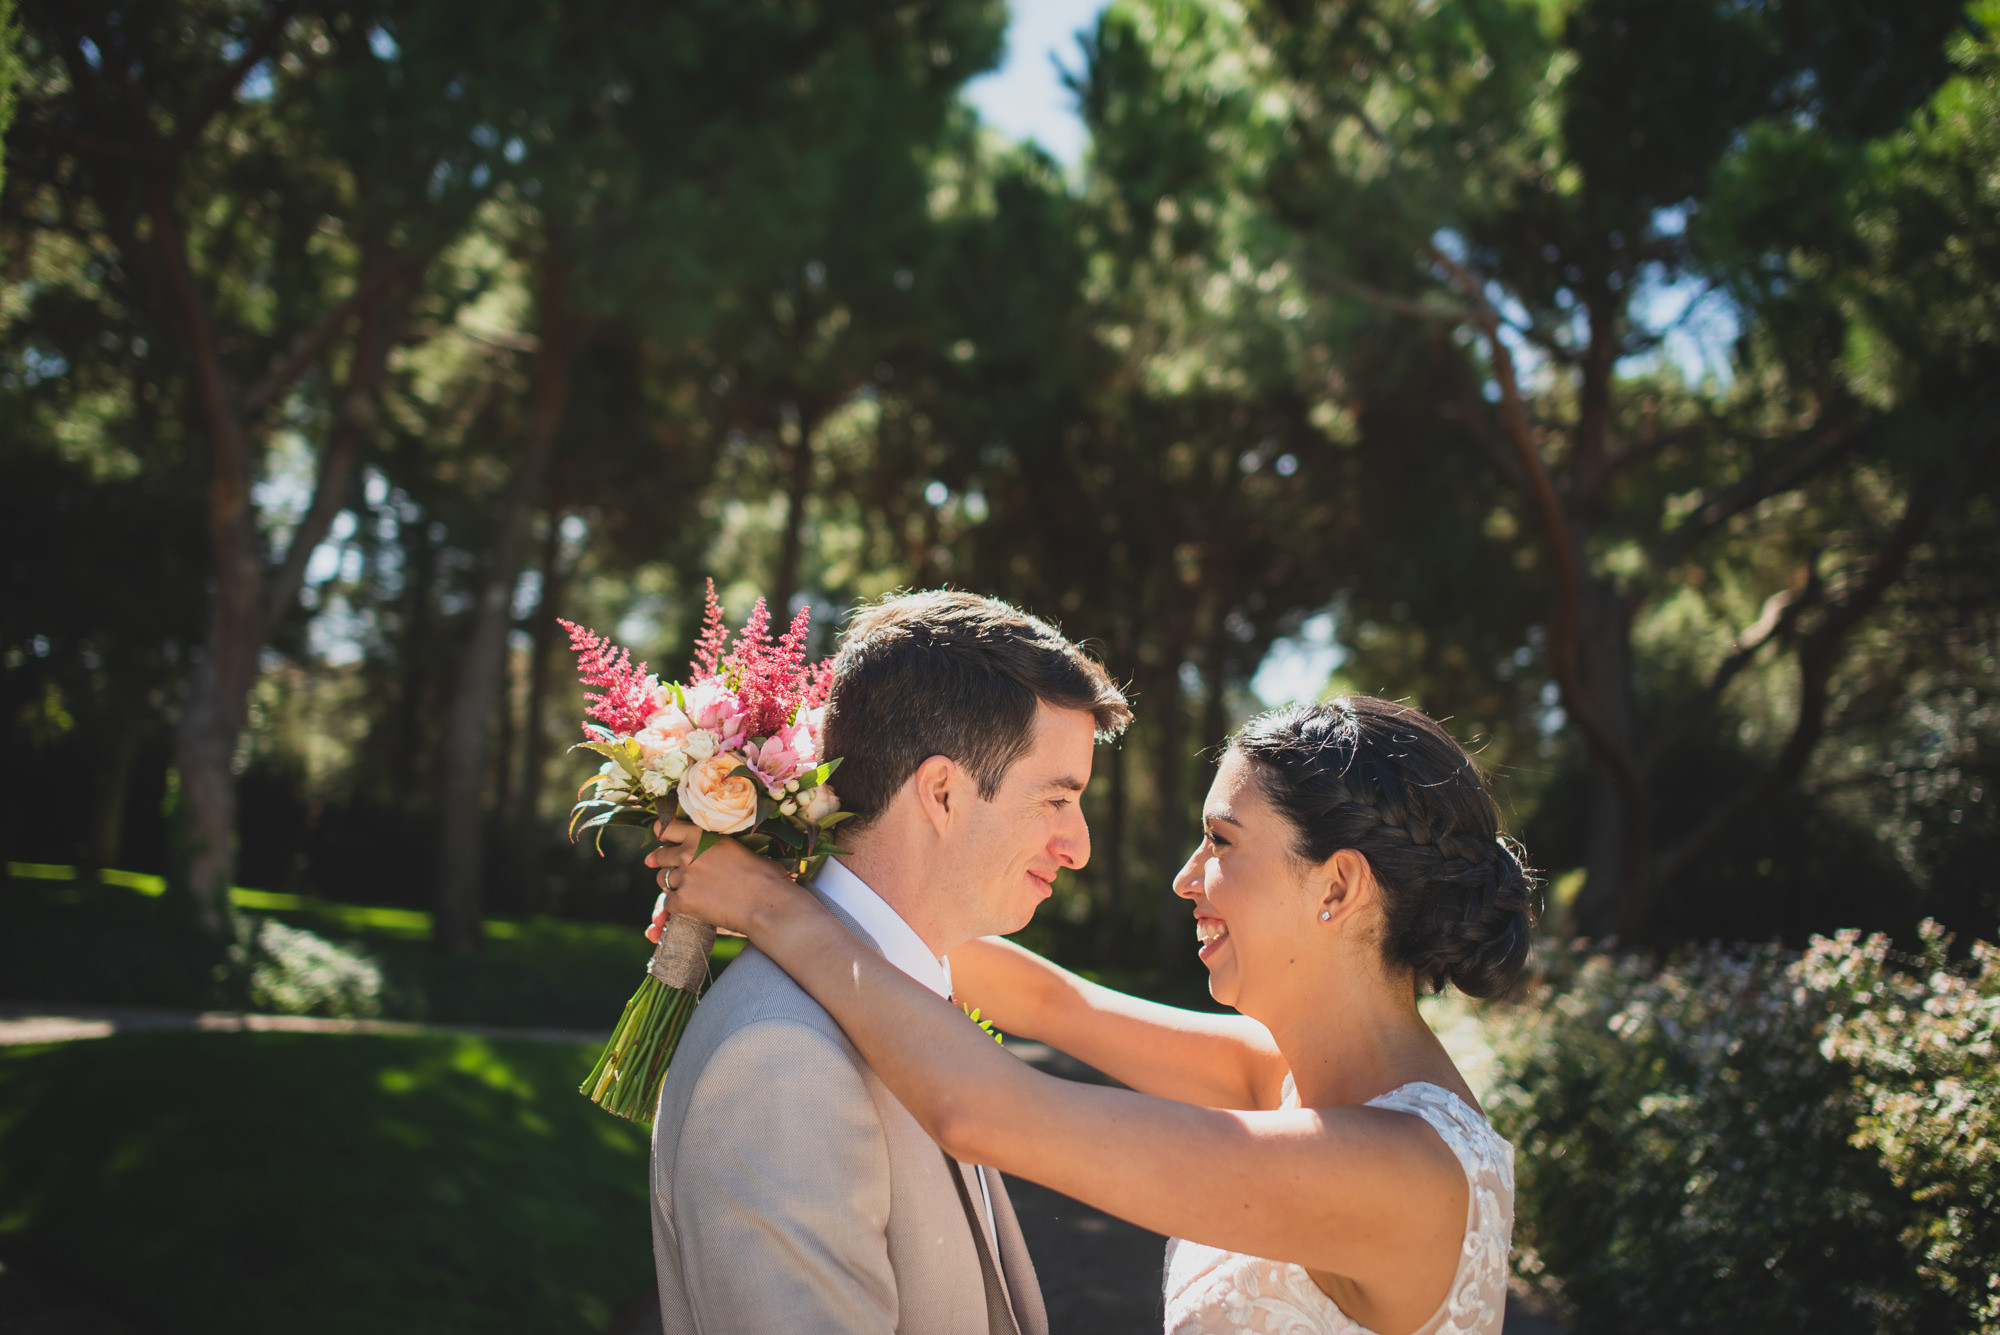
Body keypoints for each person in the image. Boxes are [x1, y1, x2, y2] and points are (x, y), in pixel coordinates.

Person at [648, 696, 1535, 1335]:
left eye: (1221, 842)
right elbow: (1048, 1000)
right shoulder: (1286, 1074)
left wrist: (772, 911)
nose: (1186, 877)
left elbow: (986, 1110)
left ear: (1337, 885)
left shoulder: (1399, 1174)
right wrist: (807, 856)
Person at [640, 589, 1130, 1335]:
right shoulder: (782, 1061)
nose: (1079, 845)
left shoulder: (904, 990)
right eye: (1056, 800)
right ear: (940, 791)